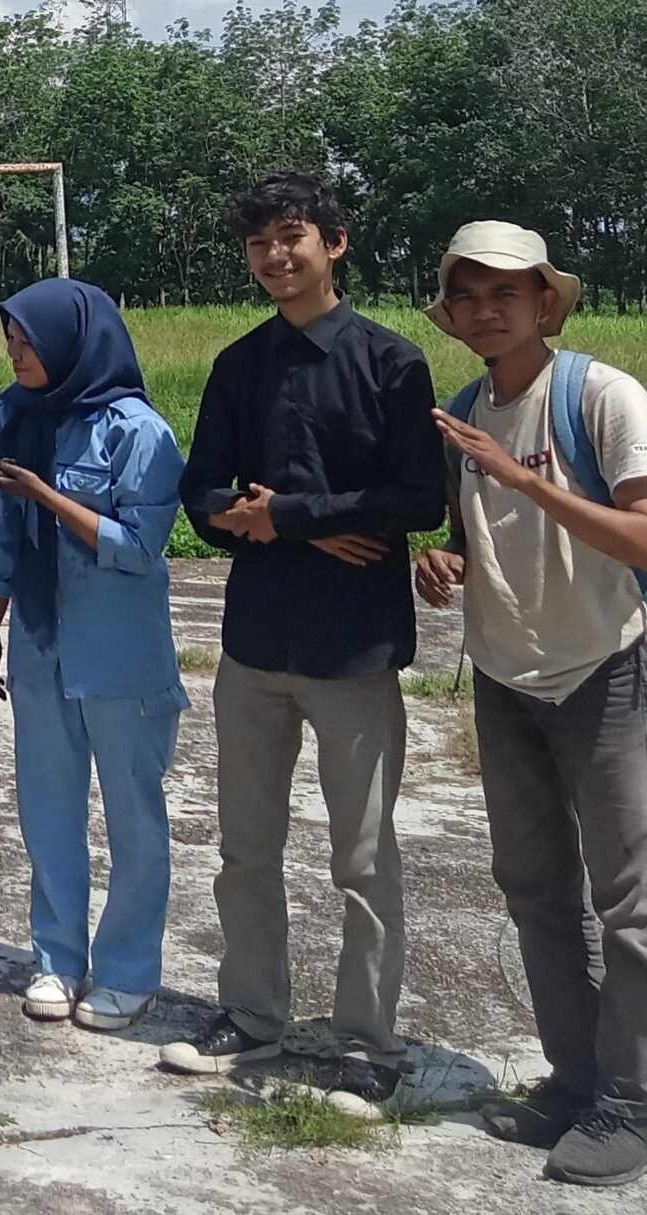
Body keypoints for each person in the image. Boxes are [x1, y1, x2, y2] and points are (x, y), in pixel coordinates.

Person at [414, 222, 647, 1187]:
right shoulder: (461, 412)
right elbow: (468, 532)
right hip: (504, 676)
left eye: (506, 293)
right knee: (535, 892)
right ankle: (576, 1082)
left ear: (544, 303)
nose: (486, 310)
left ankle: (633, 1104)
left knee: (629, 899)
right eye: (468, 295)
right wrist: (440, 560)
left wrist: (511, 470)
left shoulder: (600, 396)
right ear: (451, 313)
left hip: (601, 670)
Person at [163, 172, 444, 1103]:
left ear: (335, 242)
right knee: (245, 848)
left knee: (362, 858)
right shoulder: (238, 366)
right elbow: (203, 497)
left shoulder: (392, 362)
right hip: (254, 645)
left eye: (292, 238)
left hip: (354, 648)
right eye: (260, 245)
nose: (276, 257)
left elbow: (417, 497)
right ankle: (252, 1016)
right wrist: (290, 522)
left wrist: (286, 512)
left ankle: (367, 1039)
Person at [0, 279, 185, 1032]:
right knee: (48, 810)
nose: (17, 352)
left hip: (119, 653)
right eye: (11, 339)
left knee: (132, 816)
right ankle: (56, 957)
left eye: (29, 339)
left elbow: (139, 546)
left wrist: (51, 496)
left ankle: (128, 970)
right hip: (39, 642)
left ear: (73, 341)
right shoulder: (15, 413)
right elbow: (4, 533)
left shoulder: (138, 431)